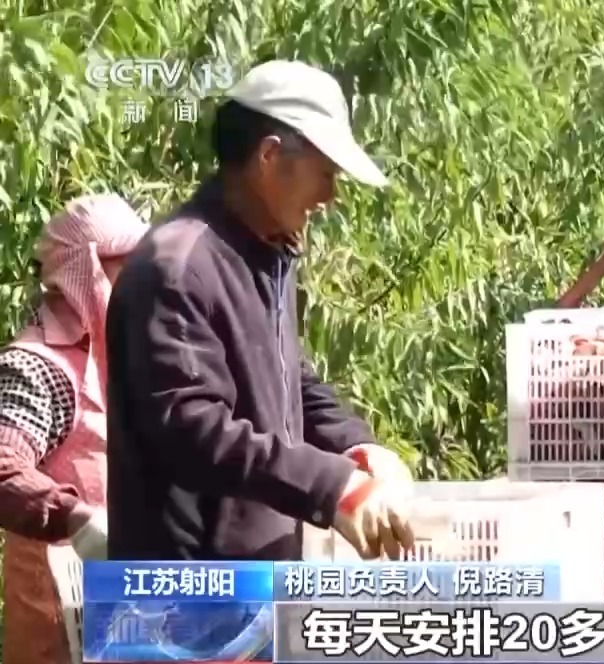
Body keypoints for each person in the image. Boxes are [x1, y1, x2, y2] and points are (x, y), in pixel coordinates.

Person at [105, 60, 417, 563]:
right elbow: (191, 426)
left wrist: (357, 448)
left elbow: (288, 380)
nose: (331, 196)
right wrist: (331, 486)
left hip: (255, 578)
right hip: (187, 587)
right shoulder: (179, 266)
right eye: (325, 174)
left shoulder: (265, 254)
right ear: (270, 156)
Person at [1, 194, 149, 664]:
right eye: (128, 268)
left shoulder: (121, 359)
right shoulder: (38, 367)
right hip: (57, 632)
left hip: (132, 619)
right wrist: (74, 517)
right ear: (86, 273)